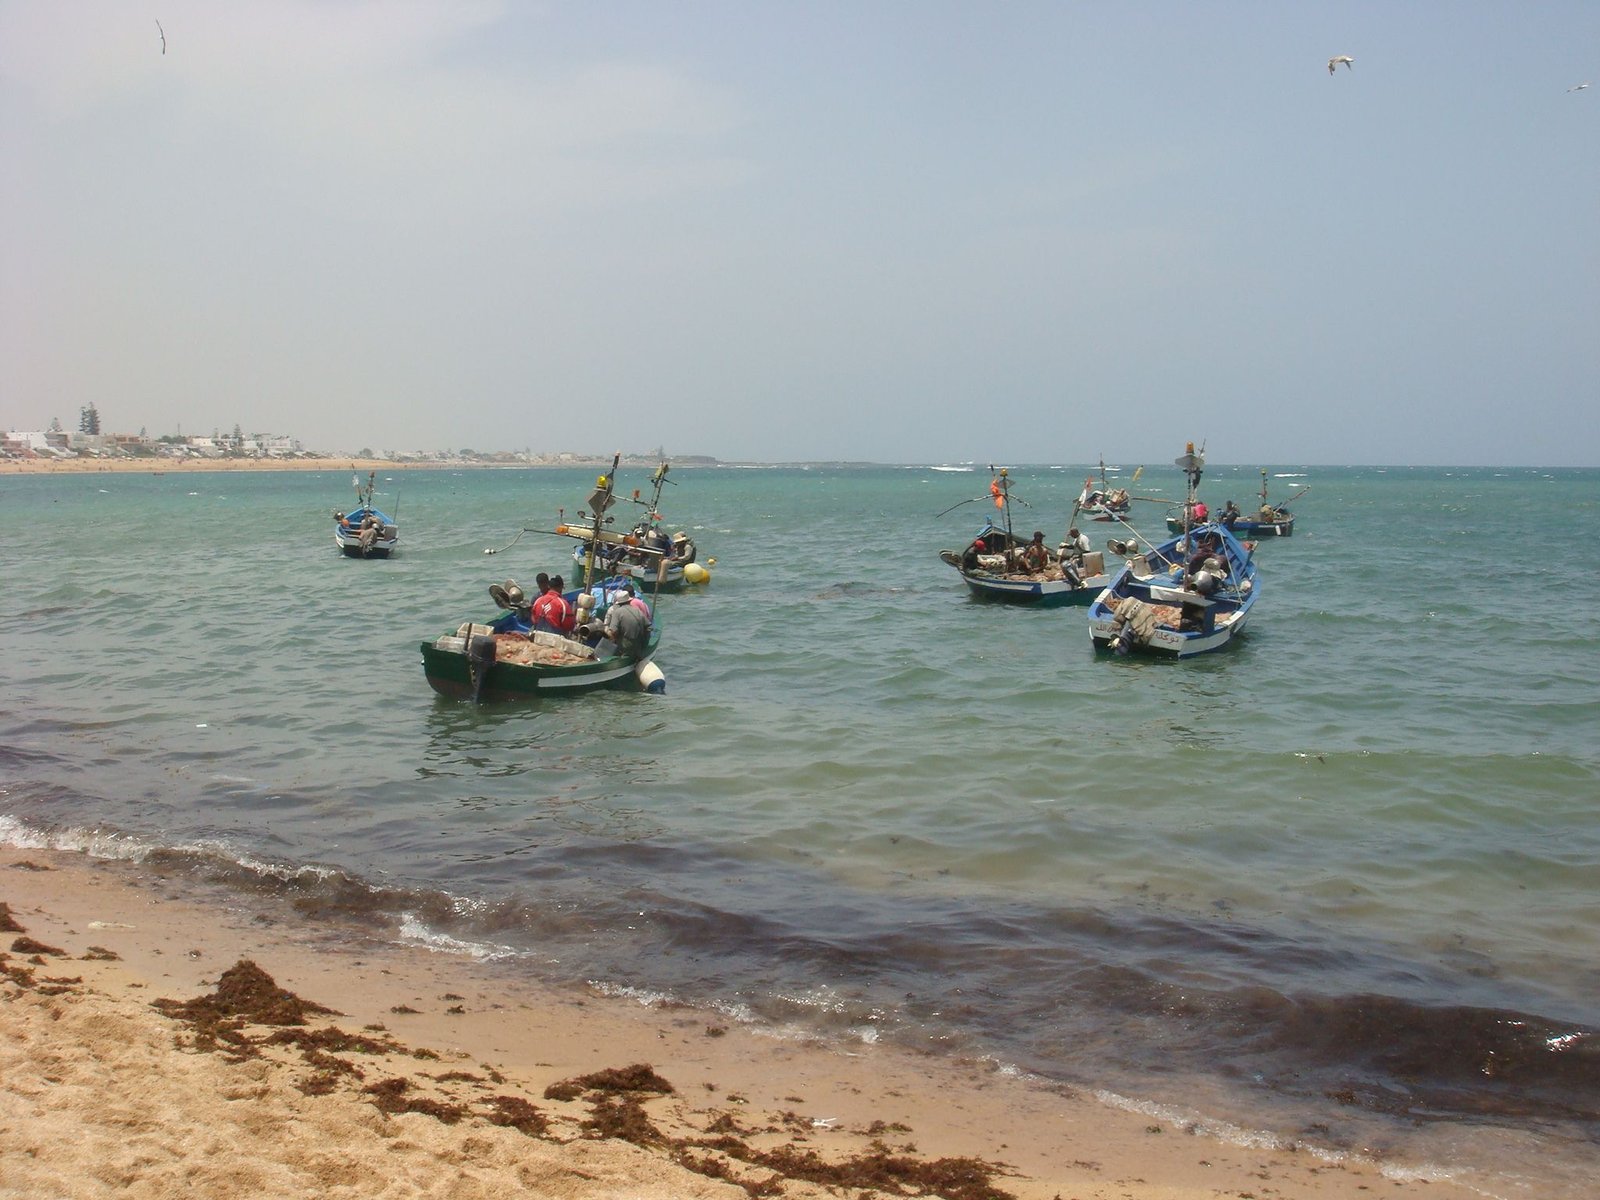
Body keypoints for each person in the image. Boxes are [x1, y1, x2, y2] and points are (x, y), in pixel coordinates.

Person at [602, 584, 651, 658]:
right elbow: (648, 627)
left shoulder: (617, 612)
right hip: (640, 646)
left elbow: (613, 631)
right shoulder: (637, 610)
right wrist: (644, 644)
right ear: (629, 600)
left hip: (626, 648)